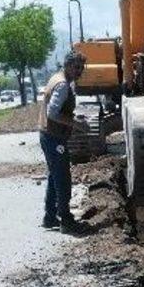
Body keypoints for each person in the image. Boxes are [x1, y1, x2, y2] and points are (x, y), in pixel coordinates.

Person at [38, 50, 87, 234]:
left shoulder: (57, 78)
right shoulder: (63, 85)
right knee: (63, 179)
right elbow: (53, 113)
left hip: (48, 135)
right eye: (76, 67)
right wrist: (76, 124)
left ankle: (49, 217)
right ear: (67, 66)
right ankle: (66, 220)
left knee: (53, 176)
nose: (79, 71)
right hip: (53, 137)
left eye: (81, 68)